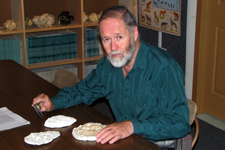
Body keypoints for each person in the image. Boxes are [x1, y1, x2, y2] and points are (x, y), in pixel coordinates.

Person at [32, 6, 190, 145]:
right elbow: (82, 91)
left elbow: (180, 123)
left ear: (134, 33)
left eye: (119, 37)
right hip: (123, 139)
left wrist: (131, 126)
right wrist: (53, 102)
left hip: (154, 143)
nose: (113, 47)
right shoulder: (108, 66)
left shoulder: (163, 68)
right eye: (106, 39)